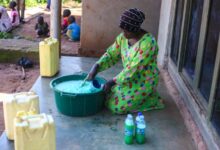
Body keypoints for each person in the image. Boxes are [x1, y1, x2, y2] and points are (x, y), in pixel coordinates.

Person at [87, 8, 164, 114]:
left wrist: (112, 82)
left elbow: (133, 69)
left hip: (144, 80)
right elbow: (111, 54)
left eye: (127, 30)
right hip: (127, 78)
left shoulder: (148, 44)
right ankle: (136, 96)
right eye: (122, 30)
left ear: (136, 29)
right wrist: (96, 66)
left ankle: (152, 99)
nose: (124, 33)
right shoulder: (123, 38)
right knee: (105, 95)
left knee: (116, 106)